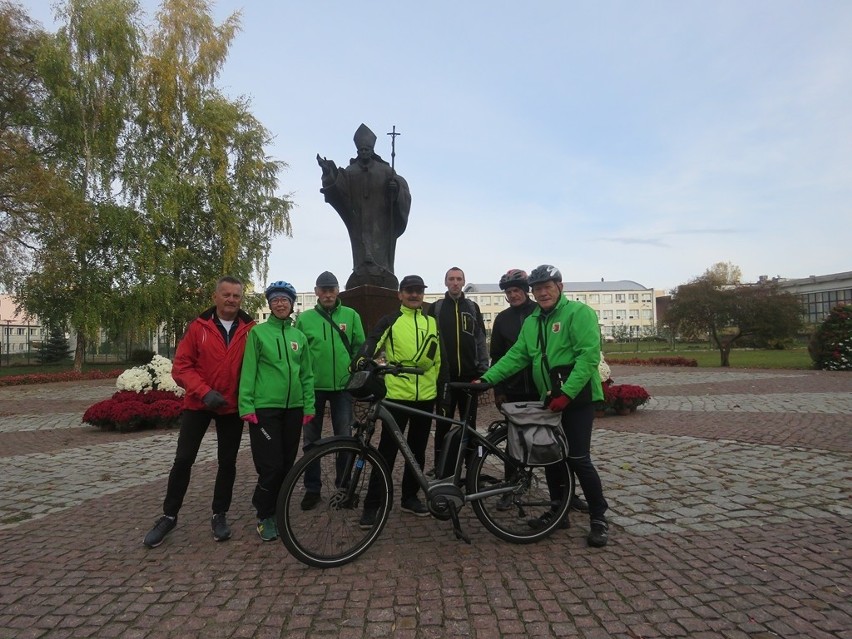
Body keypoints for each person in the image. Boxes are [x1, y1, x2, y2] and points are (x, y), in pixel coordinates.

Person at [480, 264, 610, 548]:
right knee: (551, 456)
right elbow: (517, 356)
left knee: (577, 458)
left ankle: (599, 516)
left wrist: (567, 394)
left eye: (547, 287)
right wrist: (487, 379)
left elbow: (588, 358)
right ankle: (558, 511)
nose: (542, 292)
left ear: (559, 287)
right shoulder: (533, 321)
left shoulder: (579, 313)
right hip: (550, 397)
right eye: (538, 289)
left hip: (577, 398)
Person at [143, 276, 255, 548]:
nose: (231, 300)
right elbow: (181, 367)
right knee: (183, 460)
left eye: (236, 296)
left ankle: (220, 514)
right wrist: (204, 392)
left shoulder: (251, 329)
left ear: (241, 299)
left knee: (227, 463)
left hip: (230, 406)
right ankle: (169, 515)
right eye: (226, 295)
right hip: (199, 403)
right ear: (215, 297)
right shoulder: (198, 327)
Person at [490, 269, 590, 516]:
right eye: (509, 292)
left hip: (550, 393)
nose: (514, 295)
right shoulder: (506, 319)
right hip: (522, 393)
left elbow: (585, 356)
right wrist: (493, 385)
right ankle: (521, 493)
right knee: (527, 449)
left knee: (568, 453)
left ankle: (581, 504)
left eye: (517, 290)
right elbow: (506, 356)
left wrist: (565, 393)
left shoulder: (552, 312)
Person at [353, 275, 441, 528]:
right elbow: (372, 341)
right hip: (397, 396)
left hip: (425, 396)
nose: (414, 295)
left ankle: (410, 497)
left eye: (418, 291)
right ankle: (373, 505)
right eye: (409, 291)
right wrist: (361, 359)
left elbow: (438, 360)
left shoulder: (431, 322)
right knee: (387, 453)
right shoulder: (391, 320)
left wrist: (441, 391)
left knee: (417, 451)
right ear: (400, 294)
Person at [238, 281, 315, 542]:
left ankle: (277, 508)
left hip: (293, 409)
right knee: (270, 465)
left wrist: (309, 405)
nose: (280, 303)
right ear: (269, 304)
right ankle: (264, 513)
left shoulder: (299, 337)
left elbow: (307, 374)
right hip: (265, 409)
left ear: (292, 304)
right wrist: (246, 405)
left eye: (285, 299)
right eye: (275, 300)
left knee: (286, 464)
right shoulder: (258, 334)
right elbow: (248, 371)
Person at [295, 271, 366, 510]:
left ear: (338, 291)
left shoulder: (351, 315)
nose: (327, 294)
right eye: (323, 289)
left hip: (343, 389)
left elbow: (360, 348)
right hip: (313, 388)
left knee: (344, 439)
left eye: (331, 289)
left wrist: (355, 375)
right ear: (316, 292)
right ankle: (312, 489)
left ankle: (343, 488)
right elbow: (299, 355)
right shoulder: (304, 319)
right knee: (311, 441)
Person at [317, 123, 412, 290]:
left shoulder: (385, 170)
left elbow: (401, 187)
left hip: (381, 220)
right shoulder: (350, 171)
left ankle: (384, 273)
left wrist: (395, 189)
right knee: (362, 250)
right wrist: (328, 173)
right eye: (361, 150)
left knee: (381, 252)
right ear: (357, 151)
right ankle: (361, 273)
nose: (364, 152)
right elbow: (338, 190)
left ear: (372, 150)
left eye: (367, 149)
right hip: (358, 220)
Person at [426, 266, 488, 474]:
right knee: (443, 426)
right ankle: (441, 468)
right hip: (445, 379)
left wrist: (483, 370)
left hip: (469, 378)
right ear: (445, 282)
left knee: (469, 425)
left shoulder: (472, 307)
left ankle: (472, 469)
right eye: (451, 279)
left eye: (458, 279)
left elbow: (480, 339)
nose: (455, 282)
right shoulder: (435, 308)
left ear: (463, 282)